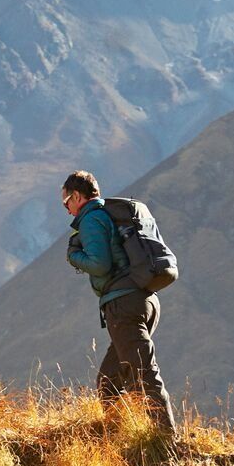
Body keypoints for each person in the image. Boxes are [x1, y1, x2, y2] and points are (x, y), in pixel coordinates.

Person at [63, 171, 175, 433]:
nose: (67, 210)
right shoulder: (111, 215)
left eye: (66, 202)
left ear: (77, 196)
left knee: (144, 377)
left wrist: (74, 256)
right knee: (109, 381)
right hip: (144, 300)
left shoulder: (91, 219)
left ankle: (166, 443)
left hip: (123, 306)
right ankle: (122, 439)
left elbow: (100, 265)